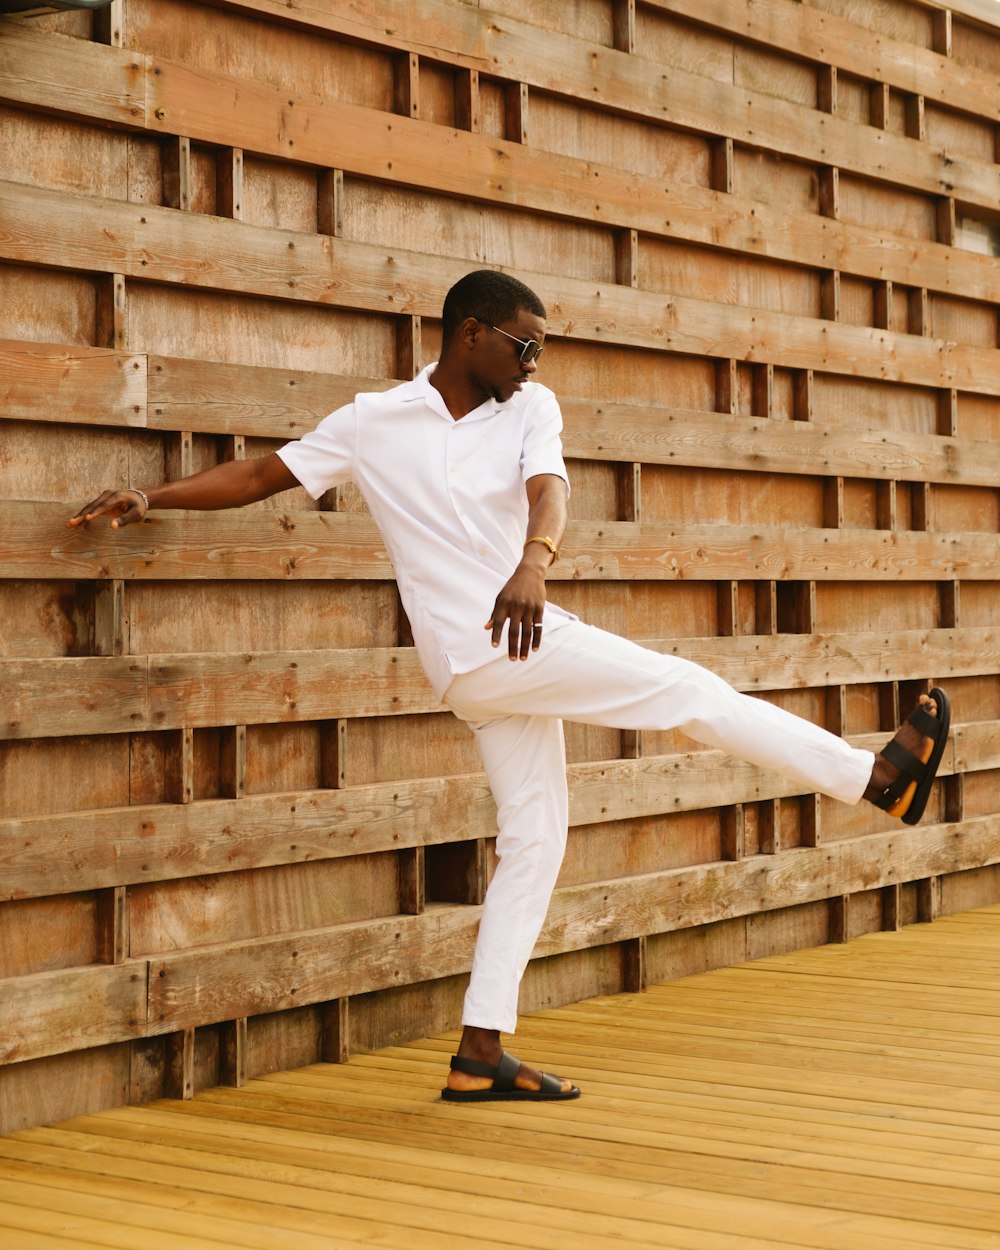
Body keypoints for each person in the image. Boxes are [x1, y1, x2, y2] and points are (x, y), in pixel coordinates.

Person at [70, 269, 951, 1104]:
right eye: (523, 345)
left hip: (507, 651)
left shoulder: (530, 406)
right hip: (487, 648)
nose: (534, 362)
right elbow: (264, 474)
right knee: (687, 689)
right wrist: (154, 497)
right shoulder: (376, 420)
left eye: (540, 349)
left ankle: (479, 1052)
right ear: (469, 334)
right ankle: (872, 779)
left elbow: (550, 490)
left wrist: (535, 560)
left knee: (535, 841)